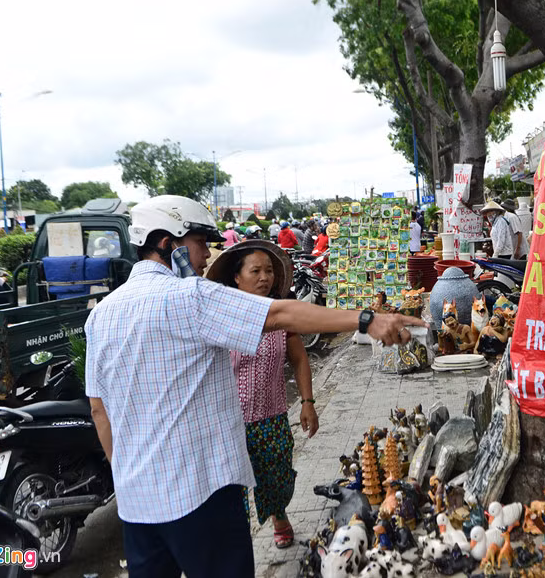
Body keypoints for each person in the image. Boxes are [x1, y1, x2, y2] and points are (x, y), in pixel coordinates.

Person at [84, 195, 423, 578]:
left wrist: (130, 475)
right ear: (169, 242)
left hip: (137, 504)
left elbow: (100, 409)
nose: (205, 257)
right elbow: (279, 313)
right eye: (200, 244)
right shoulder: (188, 297)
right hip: (200, 495)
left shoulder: (101, 316)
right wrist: (366, 320)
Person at [206, 240, 315, 549]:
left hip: (272, 416)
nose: (265, 277)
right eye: (255, 271)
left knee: (277, 479)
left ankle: (278, 513)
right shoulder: (220, 317)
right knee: (233, 490)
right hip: (228, 422)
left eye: (268, 271)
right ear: (236, 277)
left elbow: (299, 359)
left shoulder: (280, 316)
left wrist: (307, 402)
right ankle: (237, 542)